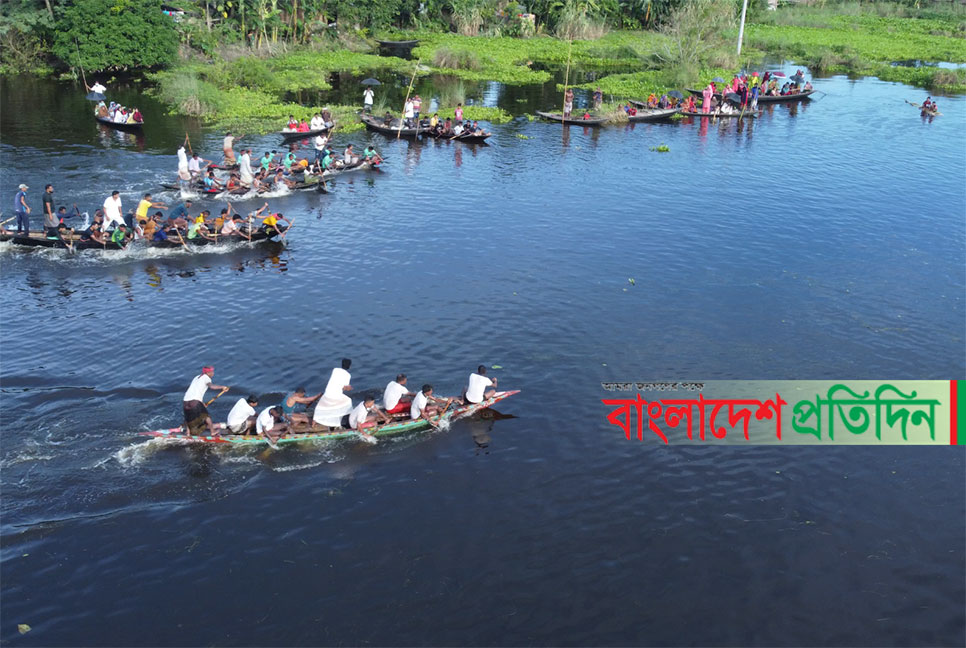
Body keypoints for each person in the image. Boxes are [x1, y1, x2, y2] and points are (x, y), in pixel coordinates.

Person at [182, 366, 229, 436]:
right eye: (212, 372)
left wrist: (201, 403)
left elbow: (195, 391)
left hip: (185, 401)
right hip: (195, 401)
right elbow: (211, 386)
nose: (213, 373)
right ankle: (212, 431)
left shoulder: (197, 377)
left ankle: (188, 433)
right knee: (206, 416)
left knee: (188, 417)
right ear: (208, 373)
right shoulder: (206, 378)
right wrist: (222, 387)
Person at [312, 358, 354, 428]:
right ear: (349, 366)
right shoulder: (348, 375)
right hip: (336, 394)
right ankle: (348, 420)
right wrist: (349, 388)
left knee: (321, 406)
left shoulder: (335, 370)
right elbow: (344, 388)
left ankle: (314, 422)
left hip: (328, 392)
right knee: (348, 401)